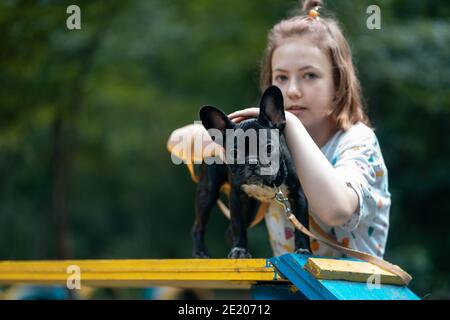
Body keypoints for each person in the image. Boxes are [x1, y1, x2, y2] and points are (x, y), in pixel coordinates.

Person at [167, 0, 390, 258]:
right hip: (290, 290)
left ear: (338, 85)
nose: (293, 91)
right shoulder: (263, 142)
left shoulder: (358, 141)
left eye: (310, 75)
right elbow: (175, 140)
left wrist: (291, 124)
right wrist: (203, 137)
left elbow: (335, 209)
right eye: (281, 78)